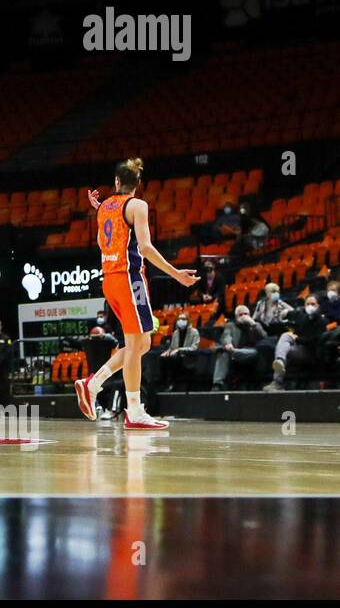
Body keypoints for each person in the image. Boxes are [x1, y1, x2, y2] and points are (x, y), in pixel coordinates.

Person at [74, 158, 198, 430]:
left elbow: (100, 241)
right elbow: (145, 248)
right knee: (135, 346)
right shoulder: (138, 205)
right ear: (138, 184)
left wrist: (101, 211)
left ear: (116, 182)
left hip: (110, 280)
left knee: (141, 345)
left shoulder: (105, 206)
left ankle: (92, 384)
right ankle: (135, 411)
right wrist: (177, 274)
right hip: (129, 279)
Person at [263, 294, 327, 391]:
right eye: (307, 304)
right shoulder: (303, 318)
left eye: (313, 304)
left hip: (311, 352)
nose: (310, 306)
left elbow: (315, 341)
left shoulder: (322, 321)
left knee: (285, 341)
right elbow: (294, 319)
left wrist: (297, 339)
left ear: (318, 306)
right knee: (284, 344)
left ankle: (278, 380)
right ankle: (280, 364)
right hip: (299, 350)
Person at [212, 305, 265, 390]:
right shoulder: (231, 325)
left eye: (246, 314)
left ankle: (234, 352)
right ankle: (217, 384)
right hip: (234, 352)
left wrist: (253, 324)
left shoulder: (255, 325)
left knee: (254, 352)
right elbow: (226, 335)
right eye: (241, 315)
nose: (244, 316)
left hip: (250, 353)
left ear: (250, 315)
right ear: (236, 317)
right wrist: (228, 344)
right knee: (223, 352)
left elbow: (263, 336)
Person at [146, 311, 201, 391]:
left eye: (183, 319)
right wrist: (167, 352)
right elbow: (172, 348)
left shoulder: (194, 332)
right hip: (176, 356)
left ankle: (172, 384)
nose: (180, 321)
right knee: (162, 358)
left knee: (174, 359)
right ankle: (163, 383)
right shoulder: (175, 333)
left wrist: (179, 350)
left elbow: (194, 348)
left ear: (188, 320)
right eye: (179, 319)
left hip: (188, 357)